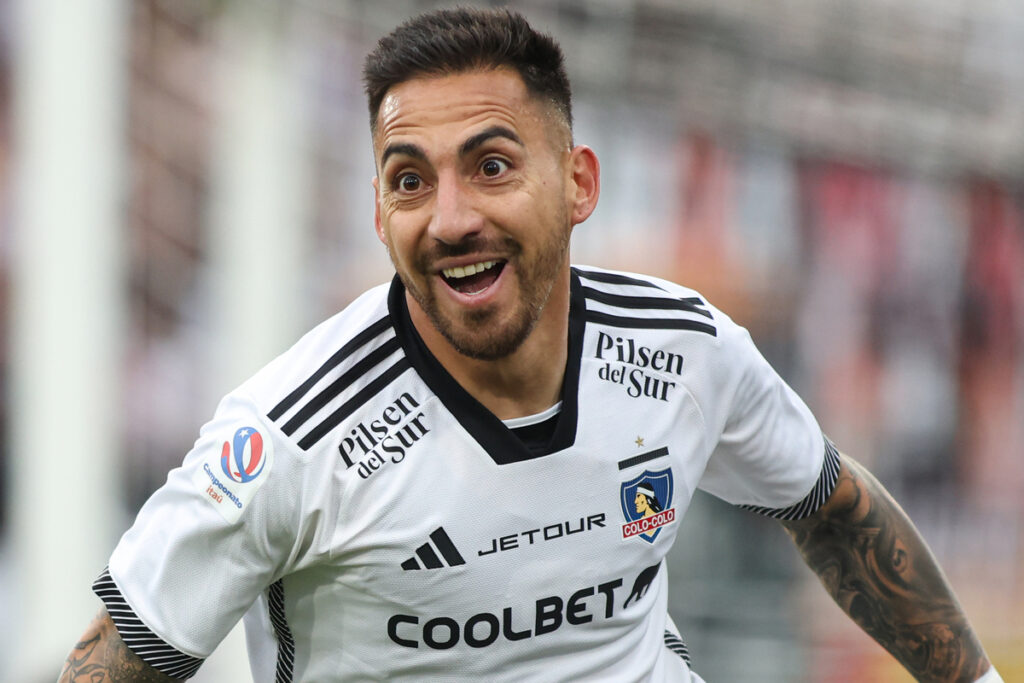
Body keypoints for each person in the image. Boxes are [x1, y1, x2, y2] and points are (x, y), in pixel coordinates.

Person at [60, 7, 1001, 682]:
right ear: (380, 211)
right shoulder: (289, 438)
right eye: (409, 180)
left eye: (492, 165)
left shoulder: (685, 350)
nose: (451, 217)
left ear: (579, 184)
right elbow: (118, 657)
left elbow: (830, 506)